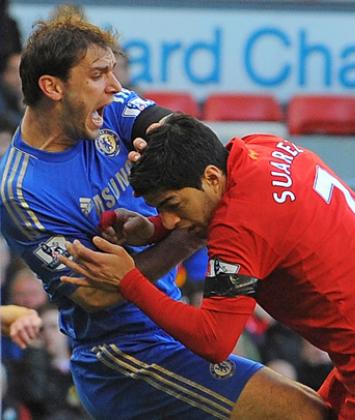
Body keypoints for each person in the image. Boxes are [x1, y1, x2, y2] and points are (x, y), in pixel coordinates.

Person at [0, 15, 328, 419]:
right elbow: (97, 294)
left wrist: (157, 221)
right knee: (305, 413)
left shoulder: (111, 110)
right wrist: (186, 235)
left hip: (168, 323)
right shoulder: (21, 189)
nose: (116, 86)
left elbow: (191, 144)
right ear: (52, 87)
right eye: (99, 74)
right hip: (123, 356)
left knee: (321, 404)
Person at [59, 113, 355, 418]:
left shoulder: (241, 225)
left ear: (213, 177)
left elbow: (214, 342)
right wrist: (150, 231)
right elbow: (238, 220)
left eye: (172, 206)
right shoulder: (259, 148)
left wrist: (128, 280)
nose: (170, 221)